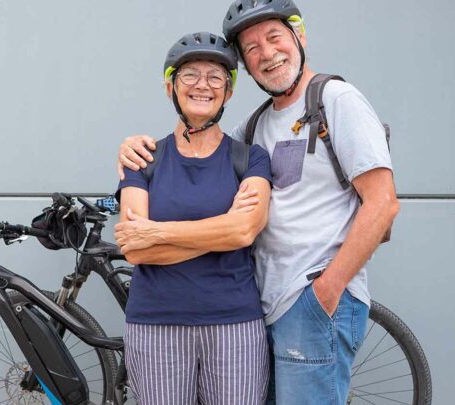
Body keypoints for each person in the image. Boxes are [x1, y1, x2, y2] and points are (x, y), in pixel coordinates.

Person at [116, 1, 400, 404]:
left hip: (310, 299)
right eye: (251, 48)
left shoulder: (337, 99)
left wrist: (326, 291)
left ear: (299, 36)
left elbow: (383, 203)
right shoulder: (254, 127)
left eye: (274, 38)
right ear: (246, 69)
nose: (266, 53)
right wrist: (131, 147)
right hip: (267, 302)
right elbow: (197, 146)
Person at [115, 31, 272, 405]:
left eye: (215, 77)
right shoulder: (143, 159)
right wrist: (219, 233)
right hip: (155, 325)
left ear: (228, 93)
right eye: (190, 75)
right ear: (171, 87)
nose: (203, 85)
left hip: (234, 323)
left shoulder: (250, 159)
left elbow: (244, 231)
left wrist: (158, 232)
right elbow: (135, 249)